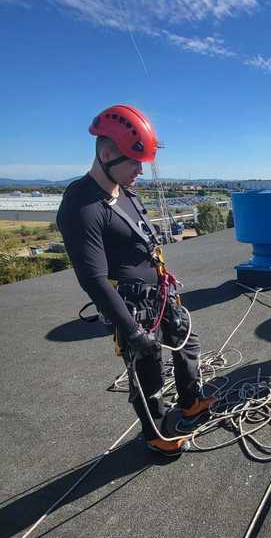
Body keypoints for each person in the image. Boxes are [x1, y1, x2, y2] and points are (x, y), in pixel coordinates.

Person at [57, 105, 215, 458]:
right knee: (148, 370)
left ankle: (191, 402)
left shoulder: (125, 191)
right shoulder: (82, 206)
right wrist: (130, 331)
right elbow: (93, 278)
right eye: (134, 162)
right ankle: (156, 432)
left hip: (159, 292)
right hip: (131, 306)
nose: (139, 171)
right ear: (107, 153)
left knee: (187, 345)